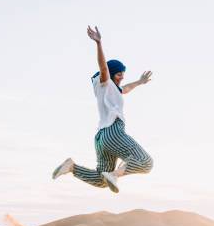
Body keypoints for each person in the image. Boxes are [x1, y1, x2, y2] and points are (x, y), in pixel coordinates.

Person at [52, 26, 154, 193]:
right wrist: (99, 43)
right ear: (112, 73)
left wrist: (139, 82)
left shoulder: (112, 89)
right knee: (145, 162)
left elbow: (126, 89)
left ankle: (72, 167)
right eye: (120, 73)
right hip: (114, 132)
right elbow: (104, 68)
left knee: (102, 180)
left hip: (101, 138)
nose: (122, 77)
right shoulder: (104, 82)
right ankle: (115, 175)